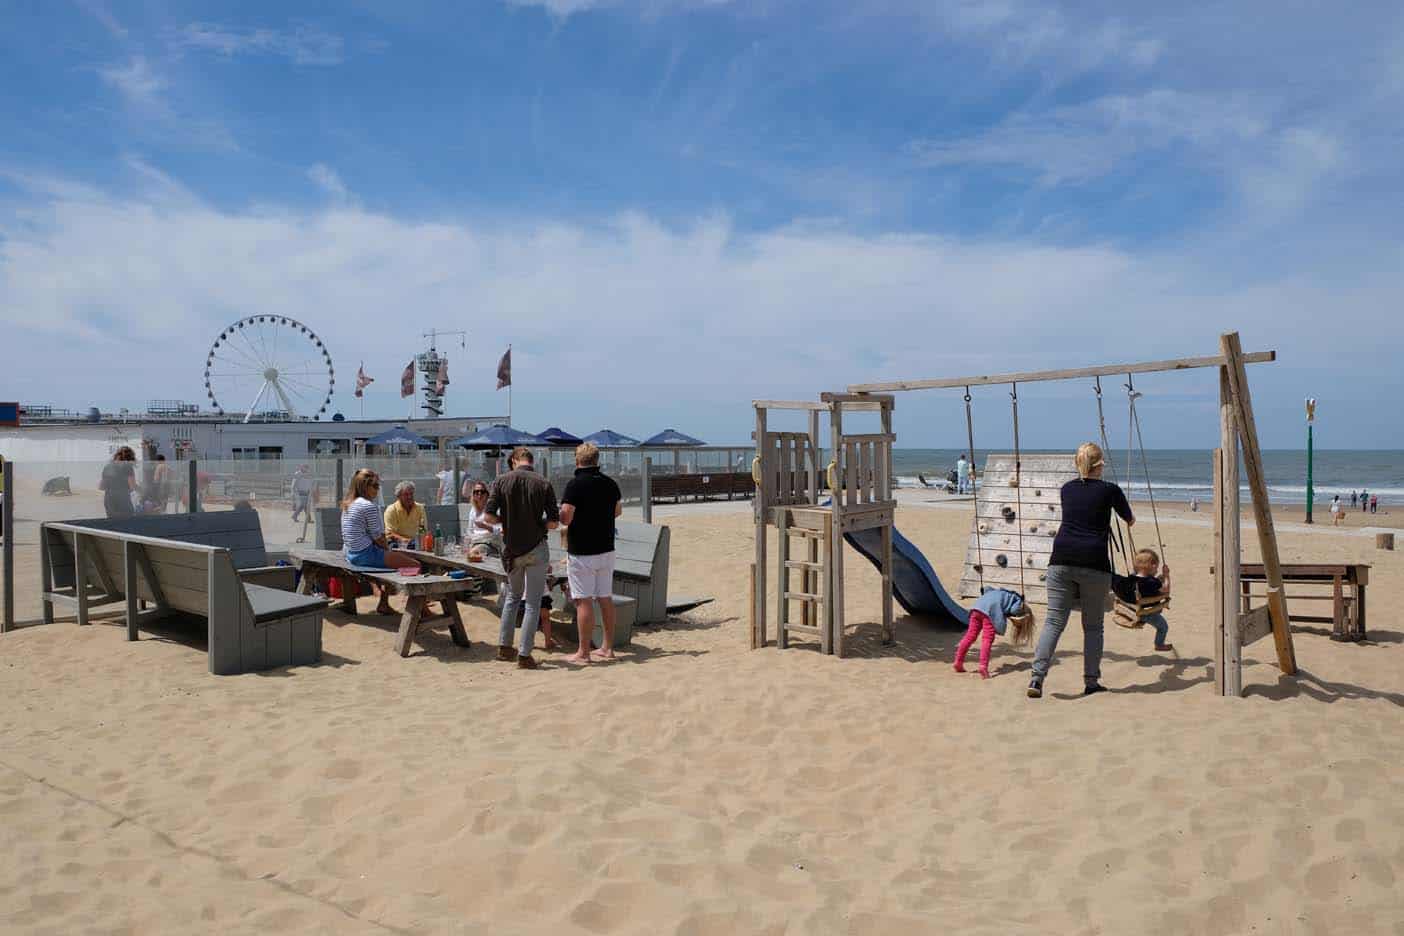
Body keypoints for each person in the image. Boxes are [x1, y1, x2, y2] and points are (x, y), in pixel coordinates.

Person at [1028, 441, 1133, 699]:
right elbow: (1128, 518)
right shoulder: (1110, 490)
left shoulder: (1067, 489)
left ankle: (1036, 678)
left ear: (1078, 464)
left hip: (1060, 560)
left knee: (1054, 621)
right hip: (1094, 564)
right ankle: (1091, 681)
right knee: (1094, 627)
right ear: (1101, 465)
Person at [484, 447, 559, 670]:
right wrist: (537, 524)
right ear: (530, 460)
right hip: (536, 547)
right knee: (533, 603)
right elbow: (554, 523)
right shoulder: (543, 482)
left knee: (512, 597)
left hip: (512, 549)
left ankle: (505, 647)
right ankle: (525, 654)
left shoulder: (500, 481)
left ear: (515, 460)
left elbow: (488, 517)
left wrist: (506, 521)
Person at [559, 441, 623, 663]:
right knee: (605, 598)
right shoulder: (610, 483)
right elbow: (617, 511)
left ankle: (583, 652)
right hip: (606, 548)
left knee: (583, 601)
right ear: (597, 461)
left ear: (577, 461)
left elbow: (566, 517)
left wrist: (560, 515)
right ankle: (607, 648)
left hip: (582, 550)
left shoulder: (574, 485)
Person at [340, 469, 418, 614]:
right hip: (363, 554)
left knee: (393, 560)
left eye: (378, 485)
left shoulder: (349, 504)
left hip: (350, 553)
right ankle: (419, 609)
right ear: (364, 487)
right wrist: (388, 551)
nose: (378, 489)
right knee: (414, 565)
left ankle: (384, 603)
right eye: (375, 486)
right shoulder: (369, 506)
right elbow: (380, 539)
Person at [953, 588, 1036, 679]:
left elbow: (987, 589)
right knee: (987, 640)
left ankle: (958, 662)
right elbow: (1013, 610)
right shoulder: (1018, 600)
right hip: (991, 613)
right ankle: (983, 666)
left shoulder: (996, 591)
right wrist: (1018, 613)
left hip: (976, 608)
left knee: (970, 636)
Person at [1113, 548, 1173, 651]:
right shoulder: (1153, 583)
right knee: (1163, 627)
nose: (1157, 570)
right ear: (1153, 565)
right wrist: (1166, 576)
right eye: (1157, 568)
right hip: (1147, 613)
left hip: (1130, 610)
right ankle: (1159, 644)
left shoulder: (1131, 580)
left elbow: (1146, 581)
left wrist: (1159, 578)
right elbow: (1166, 590)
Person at [383, 480, 429, 547]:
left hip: (417, 544)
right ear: (398, 496)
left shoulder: (420, 508)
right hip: (399, 545)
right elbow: (390, 533)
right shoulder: (391, 510)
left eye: (411, 494)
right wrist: (407, 540)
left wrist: (420, 541)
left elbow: (423, 529)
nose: (409, 497)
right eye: (406, 494)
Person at [100, 447, 138, 519]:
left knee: (113, 524)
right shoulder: (128, 467)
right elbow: (132, 486)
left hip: (109, 500)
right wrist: (142, 490)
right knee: (127, 523)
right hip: (123, 500)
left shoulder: (107, 466)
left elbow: (101, 486)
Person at [465, 481, 503, 552]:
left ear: (487, 494)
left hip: (490, 542)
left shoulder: (493, 508)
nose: (479, 494)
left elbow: (501, 531)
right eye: (476, 492)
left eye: (482, 491)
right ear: (473, 495)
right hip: (475, 541)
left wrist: (486, 527)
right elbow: (470, 530)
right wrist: (467, 540)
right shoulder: (473, 510)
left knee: (474, 552)